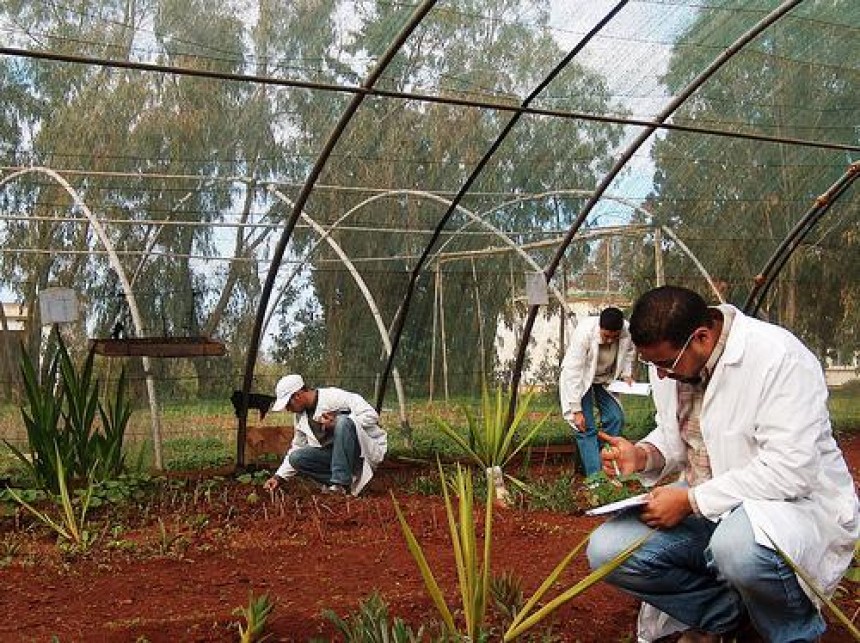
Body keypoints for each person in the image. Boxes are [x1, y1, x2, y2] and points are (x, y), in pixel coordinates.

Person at [587, 285, 859, 643]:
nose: (662, 375)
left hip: (789, 505)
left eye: (666, 363)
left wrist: (690, 501)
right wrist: (644, 454)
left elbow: (790, 470)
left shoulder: (779, 358)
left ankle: (793, 633)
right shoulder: (675, 361)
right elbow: (680, 434)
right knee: (607, 550)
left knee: (737, 548)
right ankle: (728, 617)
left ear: (701, 337)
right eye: (653, 365)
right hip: (709, 500)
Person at [262, 374, 387, 496]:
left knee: (343, 422)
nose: (288, 409)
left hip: (360, 453)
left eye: (288, 404)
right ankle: (346, 483)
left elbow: (371, 415)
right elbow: (297, 446)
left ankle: (340, 485)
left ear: (298, 395)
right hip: (334, 457)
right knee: (296, 458)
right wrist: (278, 477)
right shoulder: (300, 417)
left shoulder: (335, 397)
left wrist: (337, 423)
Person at [559, 306, 636, 480]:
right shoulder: (584, 333)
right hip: (581, 379)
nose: (609, 340)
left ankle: (606, 463)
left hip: (605, 378)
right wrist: (576, 410)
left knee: (616, 417)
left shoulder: (627, 331)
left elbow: (630, 351)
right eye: (606, 335)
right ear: (599, 327)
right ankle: (596, 479)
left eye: (614, 337)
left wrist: (626, 373)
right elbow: (574, 372)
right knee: (586, 427)